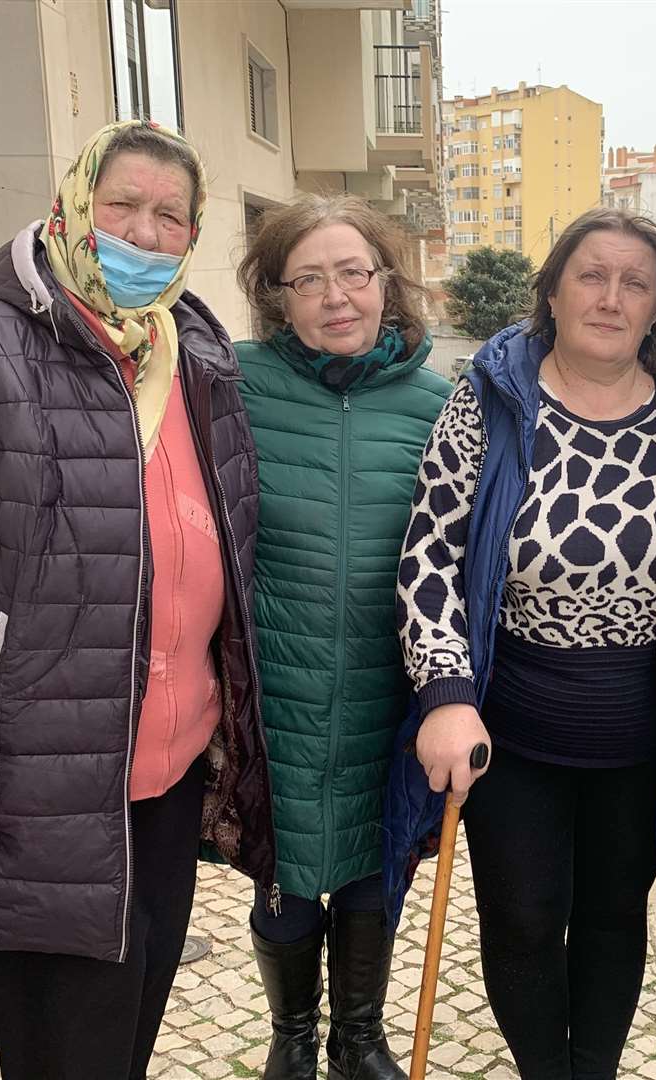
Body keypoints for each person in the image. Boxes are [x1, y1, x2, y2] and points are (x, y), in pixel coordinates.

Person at [0, 120, 273, 1080]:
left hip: (160, 786)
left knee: (127, 1033)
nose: (145, 234)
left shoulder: (196, 361)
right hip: (26, 790)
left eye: (170, 215)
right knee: (66, 1053)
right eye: (122, 206)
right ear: (72, 204)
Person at [387, 207, 656, 1080]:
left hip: (643, 734)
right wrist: (444, 695)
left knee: (611, 918)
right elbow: (430, 554)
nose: (609, 297)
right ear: (553, 291)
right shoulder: (490, 400)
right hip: (513, 725)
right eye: (590, 276)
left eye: (634, 283)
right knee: (522, 919)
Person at [234, 193, 451, 1080]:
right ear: (277, 296)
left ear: (385, 283)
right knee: (281, 873)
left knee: (373, 863)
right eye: (309, 279)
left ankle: (359, 1038)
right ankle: (292, 1035)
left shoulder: (440, 401)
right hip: (274, 682)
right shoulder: (235, 385)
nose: (336, 298)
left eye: (353, 274)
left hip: (387, 684)